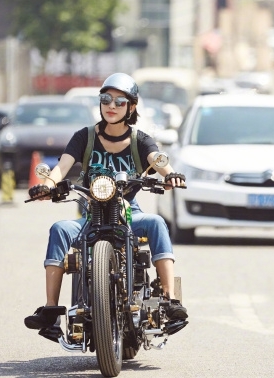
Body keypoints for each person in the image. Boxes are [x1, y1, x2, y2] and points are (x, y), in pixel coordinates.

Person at [24, 73, 188, 331]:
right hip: (92, 215)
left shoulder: (140, 140)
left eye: (120, 101)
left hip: (128, 213)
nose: (111, 106)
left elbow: (158, 159)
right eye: (106, 99)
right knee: (59, 229)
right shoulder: (84, 137)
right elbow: (62, 166)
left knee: (156, 222)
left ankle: (170, 300)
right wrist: (46, 186)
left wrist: (172, 175)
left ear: (131, 107)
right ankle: (51, 310)